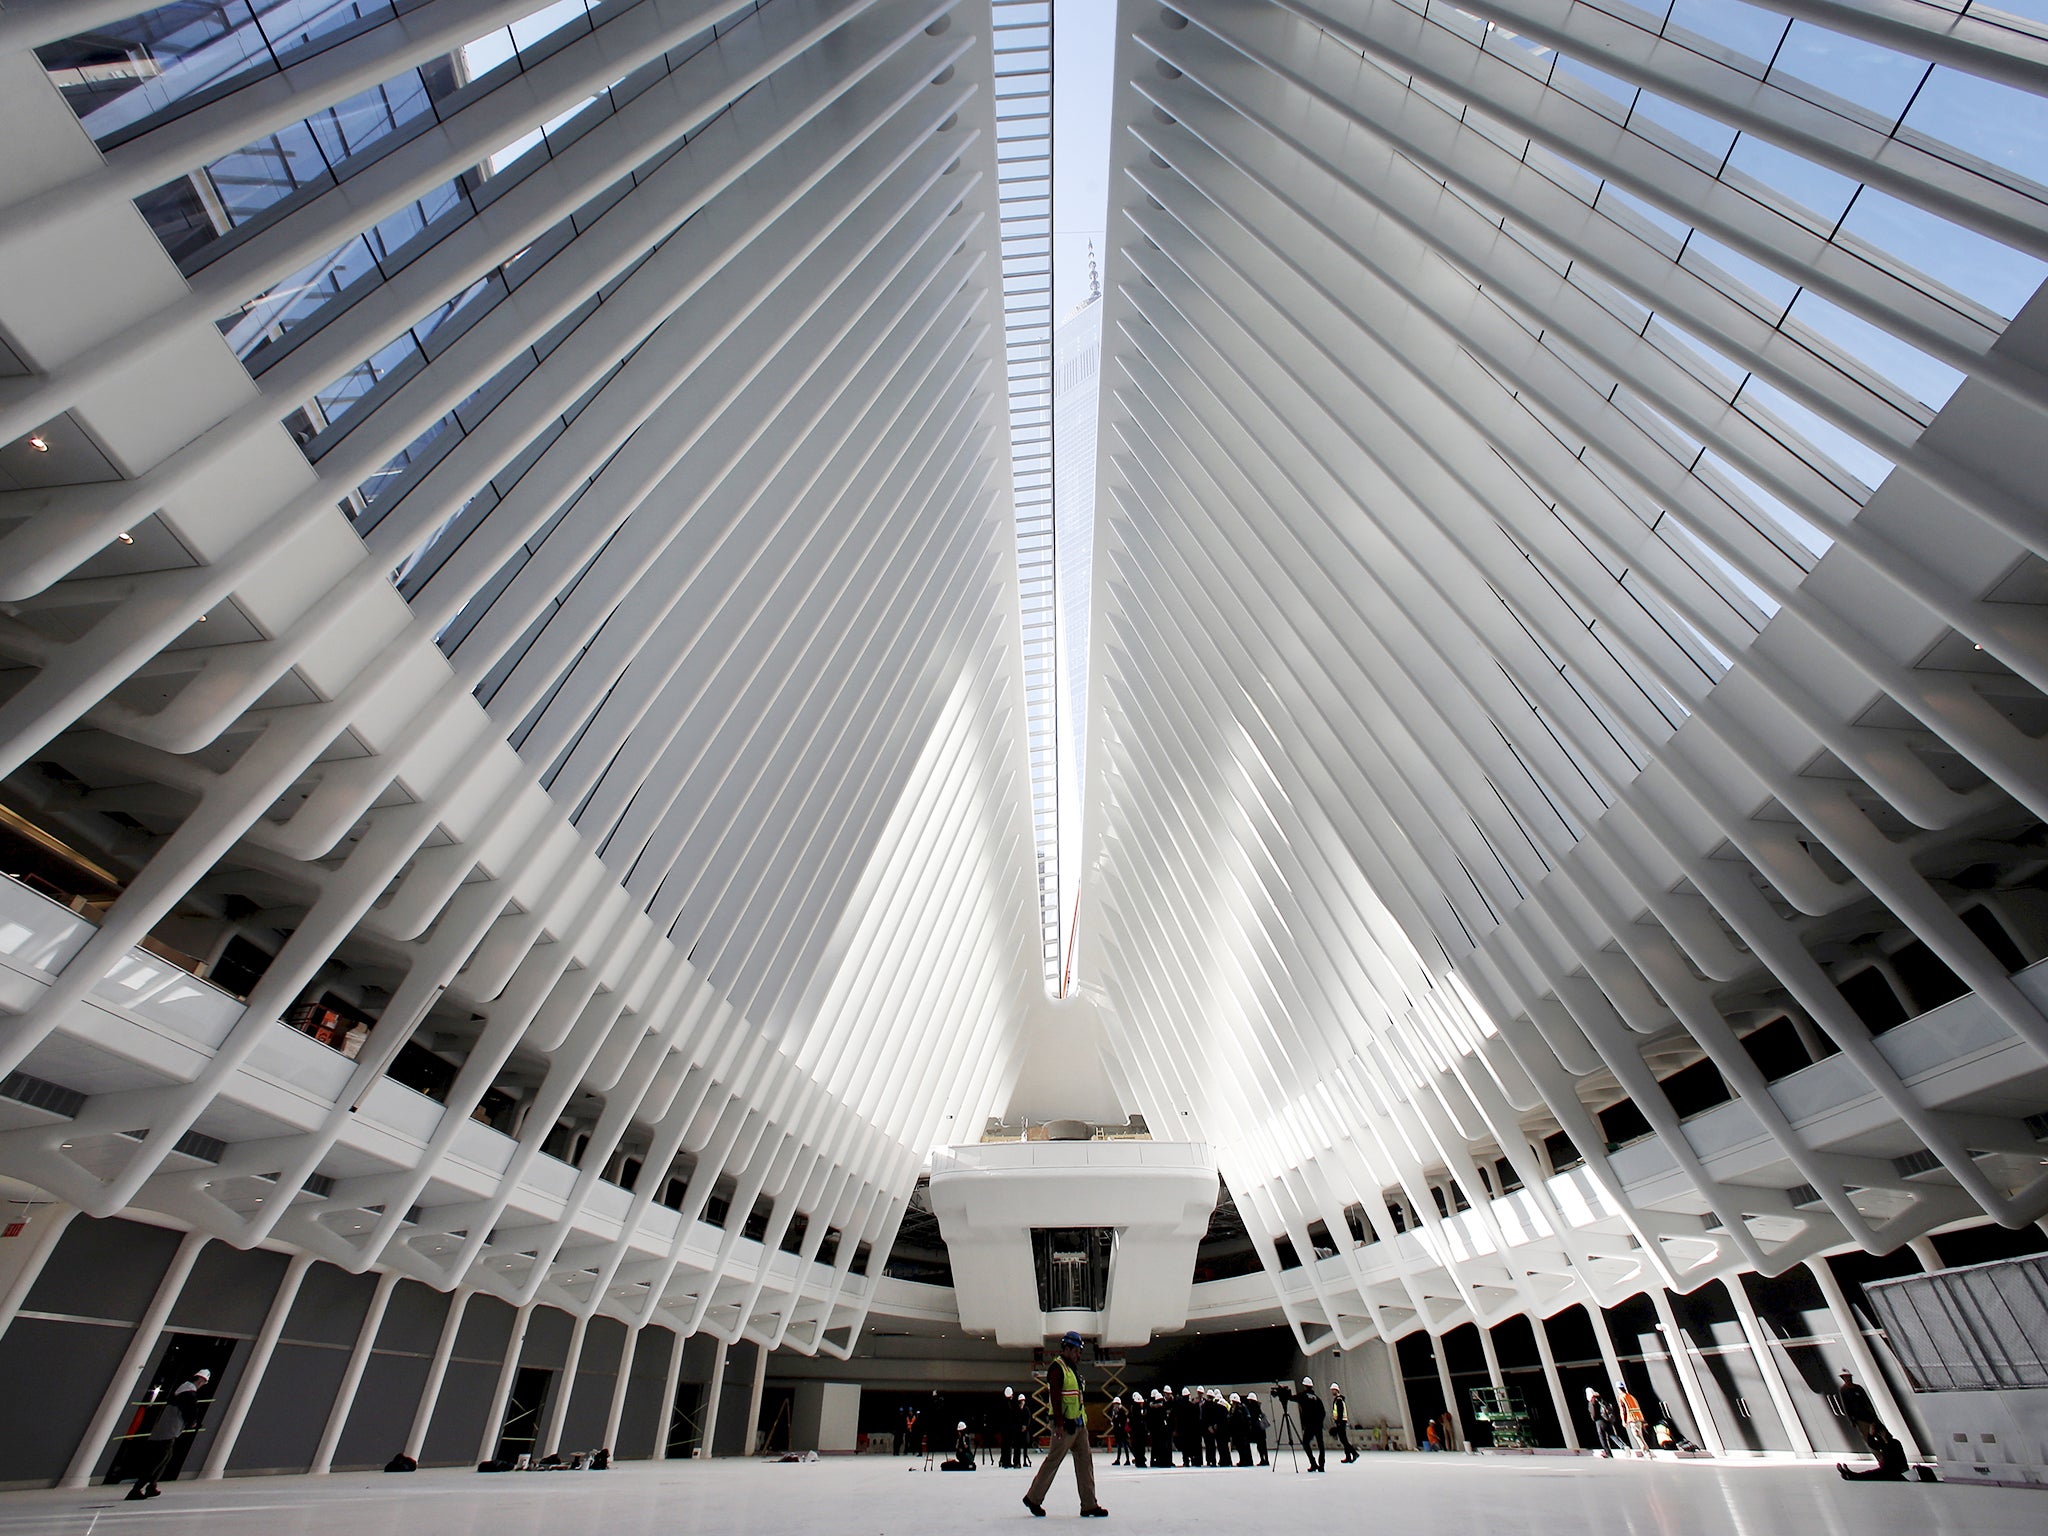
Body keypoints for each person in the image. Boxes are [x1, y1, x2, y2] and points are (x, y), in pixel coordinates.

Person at [1022, 1331, 1106, 1519]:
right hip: (1064, 1426)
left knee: (1085, 1464)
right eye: (1076, 1350)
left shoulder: (1072, 1368)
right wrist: (1059, 1423)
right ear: (1066, 1349)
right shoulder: (1057, 1368)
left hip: (1079, 1425)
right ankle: (1033, 1498)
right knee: (1053, 1461)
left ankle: (1089, 1505)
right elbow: (1055, 1397)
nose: (1078, 1354)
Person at [129, 1368, 210, 1500]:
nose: (202, 1385)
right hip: (168, 1431)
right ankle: (137, 1488)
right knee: (159, 1459)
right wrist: (193, 1423)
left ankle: (151, 1486)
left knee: (165, 1458)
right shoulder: (188, 1393)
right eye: (203, 1382)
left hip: (167, 1430)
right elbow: (191, 1410)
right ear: (201, 1380)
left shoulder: (183, 1390)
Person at [1838, 1424, 1909, 1482]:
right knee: (1872, 1474)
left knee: (1872, 1474)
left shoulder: (1894, 1443)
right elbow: (1872, 1444)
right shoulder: (1884, 1443)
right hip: (1889, 1471)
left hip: (1897, 1471)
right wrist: (1870, 1434)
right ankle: (1851, 1475)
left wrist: (1883, 1439)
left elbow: (1890, 1459)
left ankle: (1852, 1475)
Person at [1295, 1378, 1326, 1471]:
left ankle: (1313, 1463)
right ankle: (1321, 1465)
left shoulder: (1303, 1396)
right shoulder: (1317, 1398)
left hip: (1309, 1425)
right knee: (1321, 1445)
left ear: (1304, 1386)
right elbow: (1323, 1412)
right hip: (1318, 1425)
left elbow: (1292, 1398)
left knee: (1305, 1443)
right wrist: (1319, 1422)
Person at [1586, 1388, 1625, 1457]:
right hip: (1607, 1419)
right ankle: (1623, 1446)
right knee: (1612, 1435)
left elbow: (1594, 1414)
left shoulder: (1592, 1401)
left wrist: (1593, 1418)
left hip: (1599, 1421)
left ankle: (1608, 1453)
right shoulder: (1600, 1399)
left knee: (1603, 1438)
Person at [1616, 1383, 1647, 1457]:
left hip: (1632, 1419)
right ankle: (1645, 1451)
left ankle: (1646, 1452)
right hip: (1638, 1418)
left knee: (1638, 1436)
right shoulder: (1631, 1396)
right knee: (1640, 1435)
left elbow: (1623, 1410)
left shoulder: (1621, 1397)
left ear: (1618, 1389)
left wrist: (1624, 1420)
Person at [1329, 1384, 1356, 1463]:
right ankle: (1348, 1456)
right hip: (1341, 1421)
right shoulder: (1339, 1399)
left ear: (1337, 1390)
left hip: (1341, 1422)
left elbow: (1340, 1412)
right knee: (1344, 1439)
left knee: (1343, 1440)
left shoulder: (1339, 1400)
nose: (1332, 1391)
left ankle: (1354, 1453)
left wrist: (1339, 1422)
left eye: (1333, 1390)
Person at [1245, 1391, 1269, 1466]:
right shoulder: (1258, 1407)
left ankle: (1263, 1459)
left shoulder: (1253, 1408)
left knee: (1260, 1446)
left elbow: (1252, 1419)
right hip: (1261, 1430)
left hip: (1257, 1430)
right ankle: (1265, 1459)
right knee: (1263, 1446)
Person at [1107, 1393, 1129, 1466]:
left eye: (1116, 1404)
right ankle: (1118, 1459)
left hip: (1122, 1431)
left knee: (1125, 1445)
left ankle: (1127, 1459)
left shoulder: (1121, 1412)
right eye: (1114, 1404)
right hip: (1117, 1431)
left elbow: (1123, 1421)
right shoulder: (1114, 1412)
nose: (1115, 1405)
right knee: (1119, 1446)